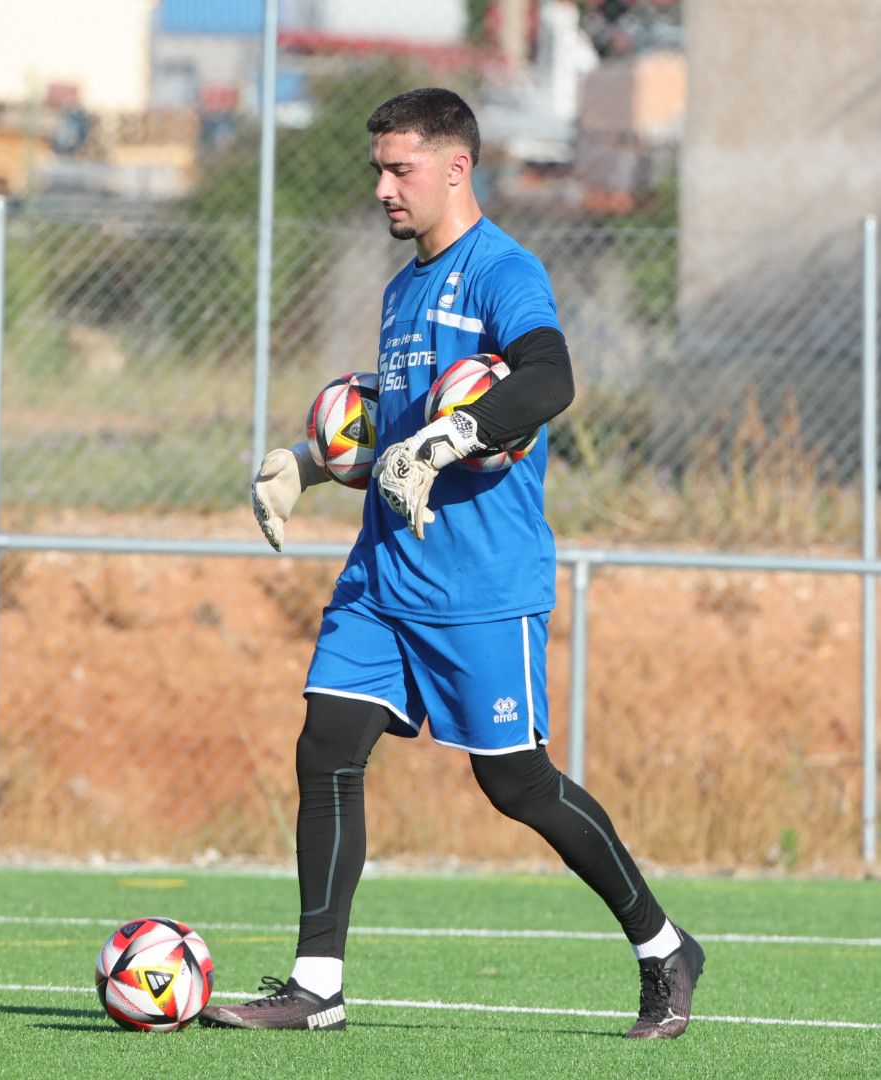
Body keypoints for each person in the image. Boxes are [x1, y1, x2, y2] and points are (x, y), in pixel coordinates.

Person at [209, 87, 702, 1040]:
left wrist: (454, 437)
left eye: (401, 169)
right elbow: (396, 433)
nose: (384, 189)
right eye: (378, 171)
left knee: (516, 785)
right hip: (383, 576)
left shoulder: (502, 271)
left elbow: (550, 377)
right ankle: (316, 987)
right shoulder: (400, 289)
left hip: (481, 583)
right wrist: (309, 463)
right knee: (327, 746)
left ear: (455, 167)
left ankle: (664, 946)